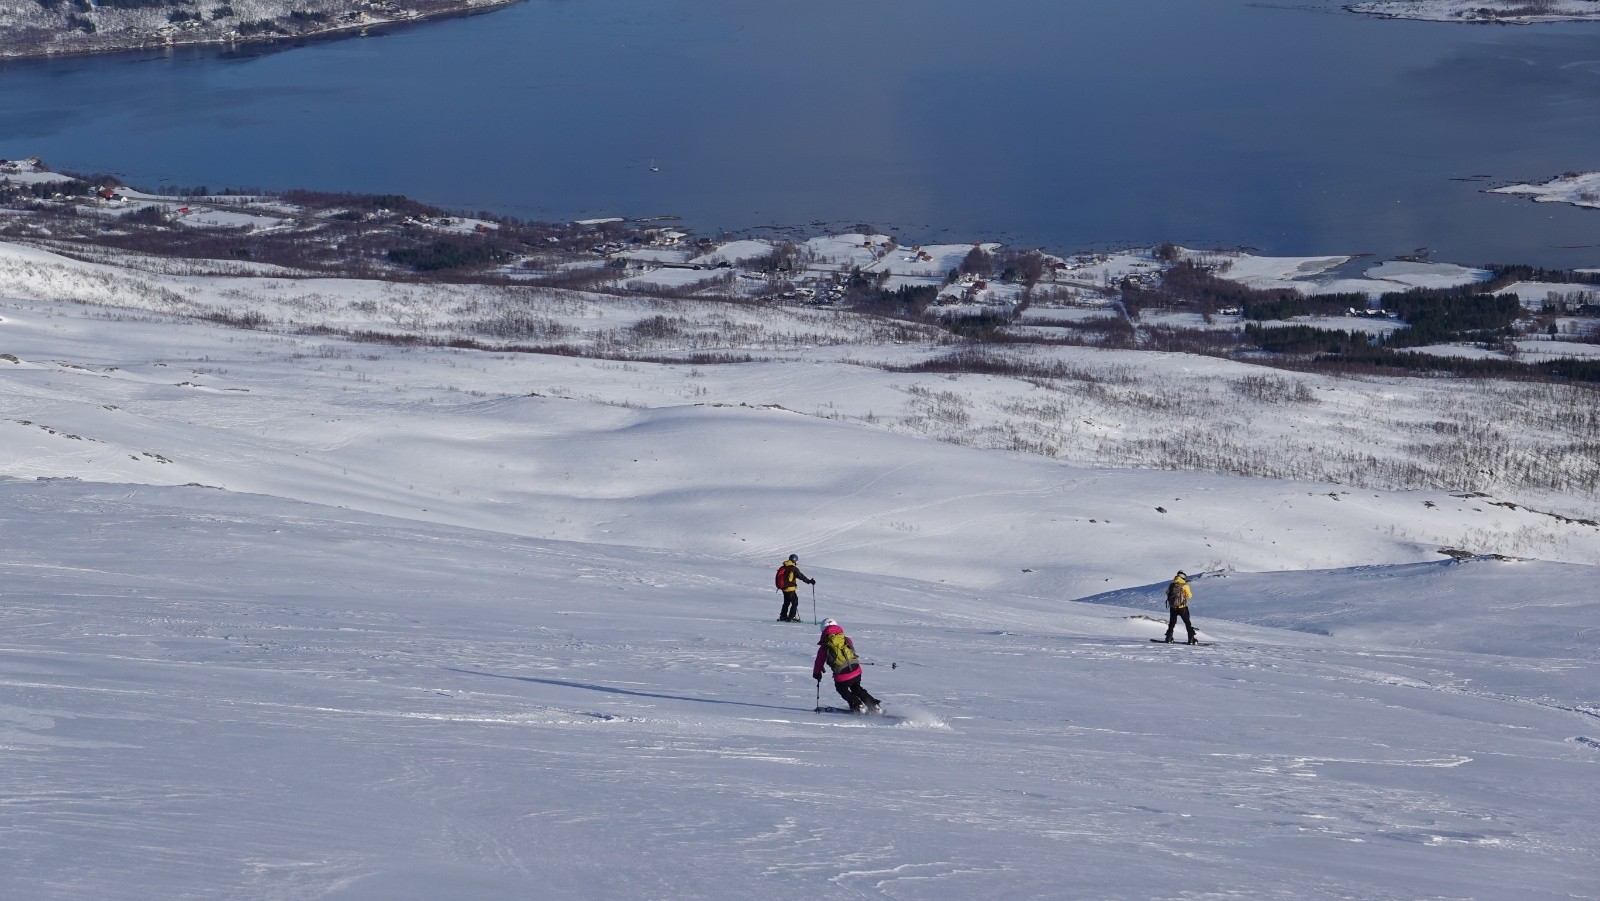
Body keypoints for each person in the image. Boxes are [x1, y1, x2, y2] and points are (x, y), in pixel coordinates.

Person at [813, 618, 881, 714]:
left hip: (842, 675)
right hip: (856, 669)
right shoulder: (846, 639)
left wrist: (817, 674)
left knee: (842, 689)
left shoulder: (825, 646)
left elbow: (818, 662)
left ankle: (858, 705)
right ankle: (874, 706)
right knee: (857, 688)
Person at [774, 553, 814, 623]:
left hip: (784, 588)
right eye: (796, 561)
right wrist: (809, 581)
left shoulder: (783, 567)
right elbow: (801, 576)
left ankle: (783, 616)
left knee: (786, 602)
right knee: (795, 602)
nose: (797, 563)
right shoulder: (793, 569)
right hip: (790, 589)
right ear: (794, 560)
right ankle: (791, 617)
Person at [1164, 570, 1197, 644]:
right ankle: (1191, 639)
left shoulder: (1172, 584)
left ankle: (1168, 638)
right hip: (1182, 607)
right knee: (1187, 623)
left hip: (1173, 607)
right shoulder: (1185, 585)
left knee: (1172, 623)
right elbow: (1189, 596)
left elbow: (1166, 592)